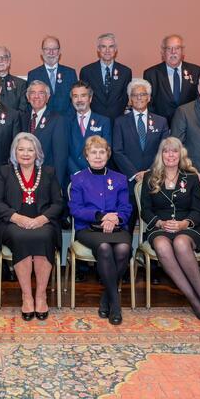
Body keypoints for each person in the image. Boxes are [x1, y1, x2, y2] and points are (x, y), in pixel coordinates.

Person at [140, 137, 200, 320]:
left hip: (188, 227)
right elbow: (145, 210)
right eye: (166, 151)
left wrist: (183, 224)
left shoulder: (191, 178)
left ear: (180, 153)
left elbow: (199, 211)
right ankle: (194, 300)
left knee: (182, 243)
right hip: (160, 226)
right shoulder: (150, 177)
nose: (170, 155)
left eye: (174, 151)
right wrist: (159, 223)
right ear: (161, 154)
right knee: (162, 245)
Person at [0, 133, 63, 320]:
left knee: (44, 236)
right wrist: (16, 218)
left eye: (30, 149)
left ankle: (40, 295)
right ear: (15, 152)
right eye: (21, 149)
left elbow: (58, 203)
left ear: (37, 153)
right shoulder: (5, 172)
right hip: (13, 224)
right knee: (22, 237)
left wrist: (42, 219)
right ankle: (26, 295)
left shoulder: (48, 172)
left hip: (43, 222)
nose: (25, 153)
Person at [69, 136, 132, 325]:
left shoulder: (119, 179)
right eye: (93, 152)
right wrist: (101, 216)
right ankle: (116, 305)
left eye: (102, 152)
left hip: (117, 227)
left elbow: (126, 208)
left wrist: (115, 218)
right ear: (86, 155)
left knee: (123, 248)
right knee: (104, 247)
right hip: (88, 229)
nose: (98, 156)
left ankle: (106, 298)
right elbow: (75, 209)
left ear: (108, 154)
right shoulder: (78, 179)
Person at [113, 78, 169, 230]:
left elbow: (164, 150)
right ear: (130, 99)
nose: (139, 98)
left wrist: (149, 173)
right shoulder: (120, 122)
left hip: (155, 181)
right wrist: (135, 174)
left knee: (155, 227)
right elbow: (117, 151)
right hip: (129, 182)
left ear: (149, 98)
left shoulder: (161, 121)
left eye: (142, 94)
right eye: (134, 95)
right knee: (127, 227)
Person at [143, 34, 200, 125]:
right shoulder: (151, 74)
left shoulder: (196, 71)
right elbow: (149, 105)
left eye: (177, 48)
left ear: (182, 52)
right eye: (168, 48)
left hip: (189, 126)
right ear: (163, 52)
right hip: (161, 128)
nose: (173, 52)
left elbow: (199, 101)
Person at [21, 80, 69, 188]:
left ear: (47, 97)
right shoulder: (22, 118)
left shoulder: (57, 120)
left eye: (41, 93)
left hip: (47, 180)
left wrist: (57, 185)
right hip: (24, 180)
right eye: (32, 93)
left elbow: (60, 157)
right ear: (28, 98)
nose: (36, 96)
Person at [79, 33, 133, 121]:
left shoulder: (126, 72)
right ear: (98, 49)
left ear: (115, 49)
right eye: (103, 46)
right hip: (94, 121)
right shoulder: (86, 71)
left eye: (111, 46)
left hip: (117, 121)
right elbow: (85, 97)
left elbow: (125, 98)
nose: (107, 50)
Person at [67, 81, 112, 176]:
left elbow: (106, 150)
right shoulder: (65, 122)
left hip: (97, 174)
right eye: (75, 96)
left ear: (90, 98)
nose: (79, 100)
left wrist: (92, 172)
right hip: (73, 175)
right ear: (71, 100)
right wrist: (77, 173)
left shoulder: (104, 121)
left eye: (83, 95)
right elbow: (64, 152)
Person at [26, 35, 78, 116]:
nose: (51, 52)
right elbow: (30, 102)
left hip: (66, 122)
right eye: (47, 49)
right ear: (42, 52)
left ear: (59, 51)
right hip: (43, 122)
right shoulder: (33, 75)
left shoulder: (70, 73)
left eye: (54, 49)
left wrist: (67, 120)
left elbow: (75, 99)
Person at [0, 45, 28, 113]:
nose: (0, 61)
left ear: (9, 61)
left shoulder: (22, 84)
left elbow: (23, 111)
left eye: (4, 57)